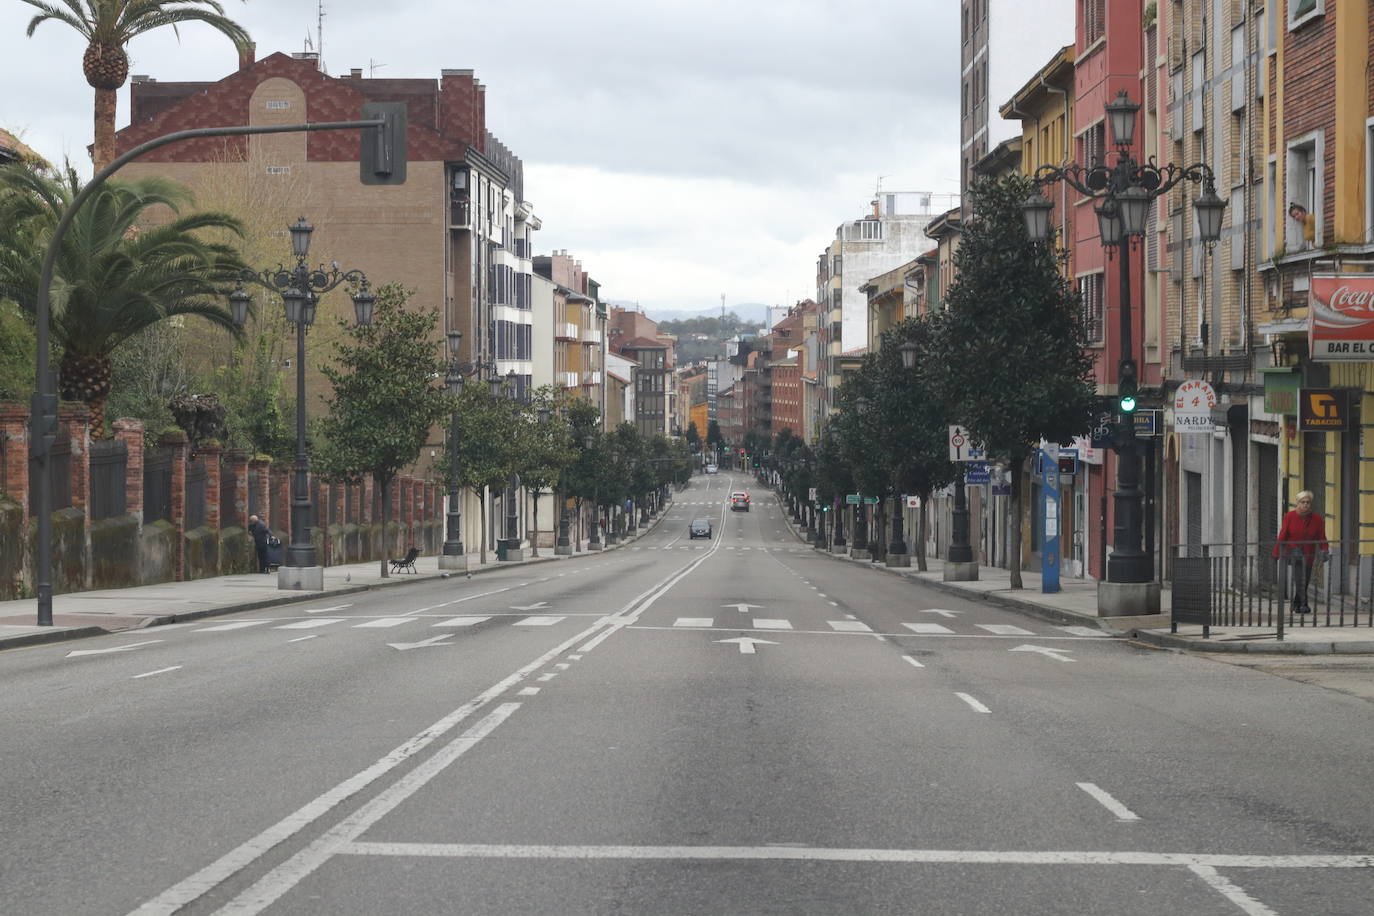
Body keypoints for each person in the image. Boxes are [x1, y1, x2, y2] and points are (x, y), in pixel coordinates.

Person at [1272, 490, 1329, 613]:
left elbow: (1321, 536)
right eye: (1302, 502)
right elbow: (1282, 536)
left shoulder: (1317, 519)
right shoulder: (1289, 516)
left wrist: (1324, 549)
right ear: (1297, 503)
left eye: (1308, 502)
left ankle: (1295, 603)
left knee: (1306, 578)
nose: (1305, 505)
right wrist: (1276, 553)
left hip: (1309, 553)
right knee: (1300, 578)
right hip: (1294, 552)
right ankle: (1304, 604)